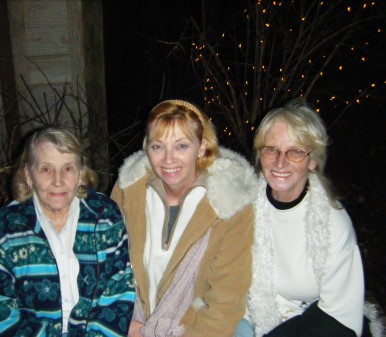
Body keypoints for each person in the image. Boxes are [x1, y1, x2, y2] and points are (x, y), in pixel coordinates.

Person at [110, 99, 258, 337]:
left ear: (202, 147)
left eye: (181, 146)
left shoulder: (230, 204)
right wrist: (118, 318)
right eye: (158, 147)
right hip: (131, 321)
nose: (168, 160)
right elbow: (108, 265)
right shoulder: (129, 191)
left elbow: (226, 301)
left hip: (194, 327)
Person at [0, 127, 135, 337]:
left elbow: (119, 290)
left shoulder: (104, 217)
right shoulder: (3, 228)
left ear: (80, 173)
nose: (58, 180)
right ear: (28, 174)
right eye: (46, 169)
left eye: (68, 168)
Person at [237, 99, 365, 337]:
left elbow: (339, 317)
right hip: (243, 317)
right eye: (271, 149)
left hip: (306, 326)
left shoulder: (332, 224)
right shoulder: (242, 205)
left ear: (313, 160)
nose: (280, 162)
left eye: (295, 152)